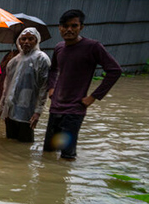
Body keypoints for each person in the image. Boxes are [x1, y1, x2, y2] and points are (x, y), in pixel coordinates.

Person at [44, 9, 121, 160]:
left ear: (81, 27)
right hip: (56, 107)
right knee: (48, 152)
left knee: (67, 155)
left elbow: (115, 71)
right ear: (59, 27)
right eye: (65, 26)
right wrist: (51, 88)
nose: (69, 30)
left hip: (74, 110)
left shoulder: (92, 47)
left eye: (74, 26)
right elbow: (53, 70)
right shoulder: (59, 48)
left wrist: (93, 97)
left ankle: (64, 181)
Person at [0, 28, 51, 143]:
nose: (26, 42)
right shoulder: (13, 61)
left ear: (37, 41)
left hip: (28, 110)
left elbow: (44, 88)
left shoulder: (42, 59)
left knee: (25, 144)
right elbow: (6, 86)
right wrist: (1, 107)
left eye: (31, 39)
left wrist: (38, 111)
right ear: (19, 41)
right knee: (10, 143)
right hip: (10, 109)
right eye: (23, 39)